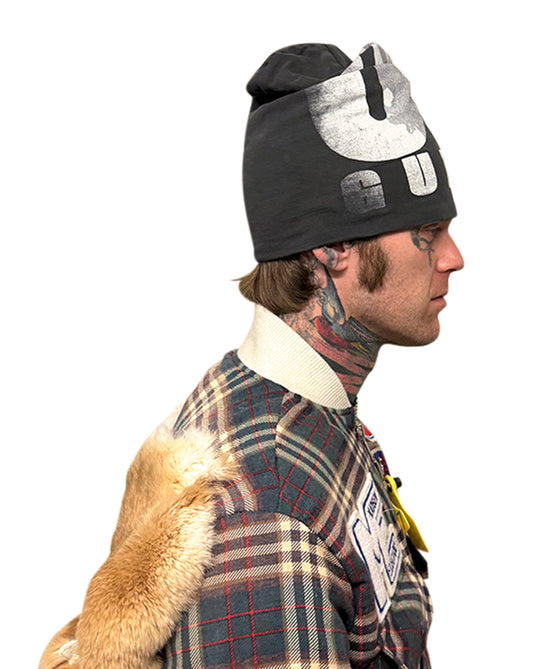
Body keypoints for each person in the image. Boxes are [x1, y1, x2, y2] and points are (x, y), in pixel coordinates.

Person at [40, 42, 463, 669]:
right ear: (334, 249)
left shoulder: (298, 410)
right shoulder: (271, 513)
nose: (453, 257)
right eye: (427, 233)